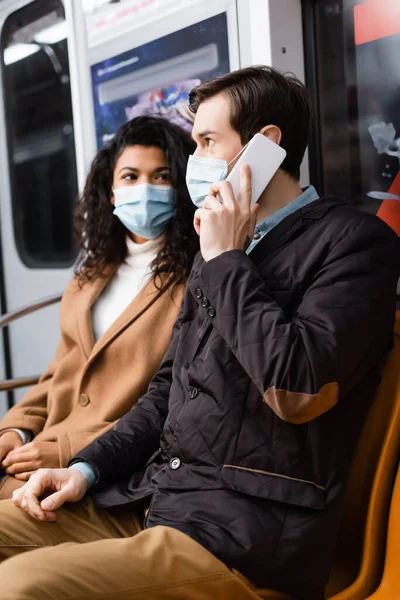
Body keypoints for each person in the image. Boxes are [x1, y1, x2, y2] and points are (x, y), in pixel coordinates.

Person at [0, 66, 399, 600]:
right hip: (154, 499)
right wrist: (87, 469)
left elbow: (298, 388)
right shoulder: (223, 247)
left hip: (241, 535)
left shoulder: (351, 242)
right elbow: (165, 393)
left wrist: (227, 258)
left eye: (209, 141)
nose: (196, 161)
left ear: (266, 146)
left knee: (20, 586)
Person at [0, 115, 198, 499]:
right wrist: (16, 430)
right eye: (130, 177)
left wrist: (68, 448)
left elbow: (173, 399)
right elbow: (60, 373)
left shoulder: (195, 279)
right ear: (110, 192)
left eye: (160, 176)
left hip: (109, 467)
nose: (145, 189)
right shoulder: (90, 278)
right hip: (42, 447)